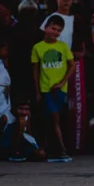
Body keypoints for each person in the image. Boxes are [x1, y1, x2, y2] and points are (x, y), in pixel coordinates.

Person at [32, 15, 75, 162]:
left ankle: (54, 150)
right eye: (53, 28)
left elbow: (72, 65)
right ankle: (61, 150)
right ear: (45, 28)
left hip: (60, 90)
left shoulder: (63, 46)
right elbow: (35, 70)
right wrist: (37, 91)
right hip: (46, 90)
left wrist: (63, 83)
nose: (55, 32)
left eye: (58, 30)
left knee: (55, 119)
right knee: (53, 118)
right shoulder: (38, 47)